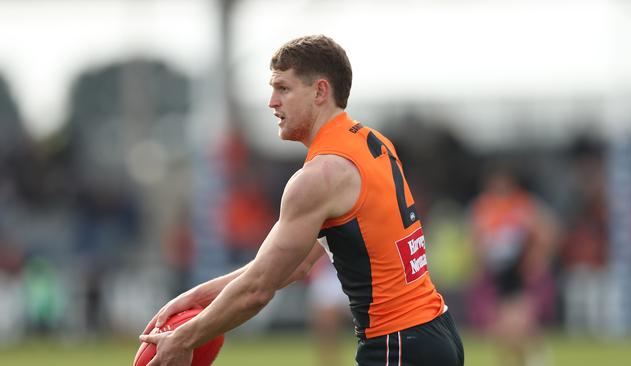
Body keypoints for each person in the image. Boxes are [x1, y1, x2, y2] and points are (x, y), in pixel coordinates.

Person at [140, 35, 464, 366]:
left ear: (320, 91)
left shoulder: (319, 177)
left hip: (398, 344)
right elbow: (295, 264)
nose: (272, 101)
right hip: (434, 331)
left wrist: (184, 339)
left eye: (283, 88)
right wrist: (197, 297)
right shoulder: (372, 142)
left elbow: (257, 290)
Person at [467, 166, 556, 366]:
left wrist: (536, 258)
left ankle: (535, 356)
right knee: (502, 323)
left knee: (519, 320)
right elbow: (476, 238)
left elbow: (545, 231)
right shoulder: (484, 207)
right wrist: (478, 263)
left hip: (516, 270)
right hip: (496, 271)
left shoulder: (521, 205)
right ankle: (518, 357)